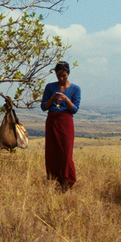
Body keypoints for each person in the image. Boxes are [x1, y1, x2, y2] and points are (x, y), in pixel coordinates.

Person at [41, 61, 81, 191]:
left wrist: (67, 99)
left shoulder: (75, 89)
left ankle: (68, 181)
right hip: (52, 120)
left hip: (66, 121)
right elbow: (43, 107)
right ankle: (55, 180)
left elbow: (74, 109)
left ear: (68, 74)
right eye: (59, 75)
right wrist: (52, 99)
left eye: (64, 75)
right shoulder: (50, 87)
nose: (61, 78)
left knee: (66, 152)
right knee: (52, 152)